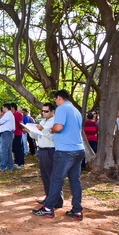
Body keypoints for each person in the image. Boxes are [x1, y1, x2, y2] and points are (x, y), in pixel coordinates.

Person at [33, 90, 85, 220]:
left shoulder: (62, 108)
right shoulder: (76, 111)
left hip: (65, 151)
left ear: (59, 98)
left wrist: (51, 129)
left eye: (56, 99)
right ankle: (77, 210)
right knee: (75, 180)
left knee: (56, 179)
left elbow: (58, 127)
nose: (56, 102)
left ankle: (48, 208)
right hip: (78, 149)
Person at [24, 103, 63, 209]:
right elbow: (38, 136)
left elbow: (53, 137)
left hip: (51, 150)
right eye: (42, 111)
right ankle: (49, 197)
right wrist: (30, 131)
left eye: (46, 111)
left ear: (53, 112)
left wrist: (43, 130)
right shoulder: (43, 121)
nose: (43, 113)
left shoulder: (56, 122)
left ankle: (57, 200)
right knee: (45, 176)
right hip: (42, 149)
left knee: (52, 176)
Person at [0, 104, 14, 172]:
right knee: (8, 150)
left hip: (6, 134)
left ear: (5, 108)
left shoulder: (7, 114)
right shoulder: (9, 114)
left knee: (4, 150)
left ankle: (2, 166)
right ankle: (10, 166)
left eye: (3, 108)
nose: (2, 110)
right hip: (8, 134)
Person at [11, 103, 25, 169]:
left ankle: (21, 163)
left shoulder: (17, 114)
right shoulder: (11, 114)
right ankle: (16, 161)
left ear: (13, 108)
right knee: (15, 148)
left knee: (19, 148)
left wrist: (23, 129)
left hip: (18, 133)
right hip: (13, 134)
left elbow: (21, 123)